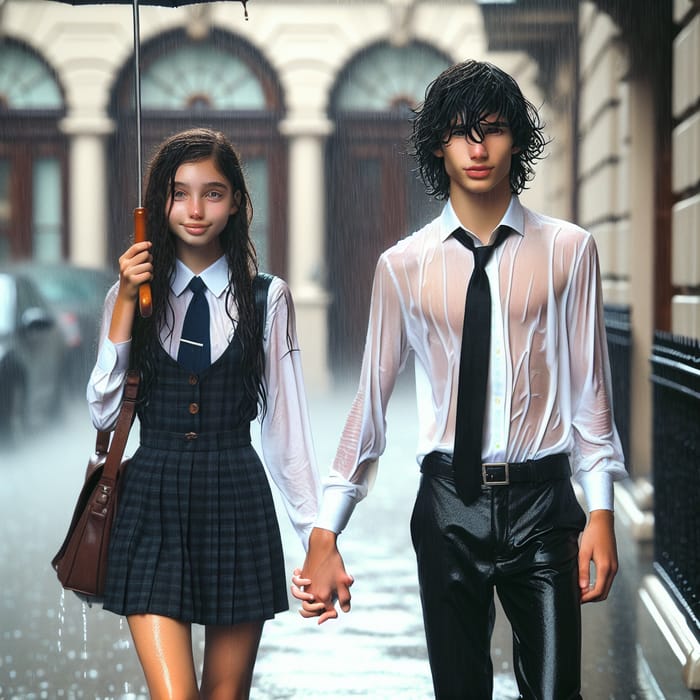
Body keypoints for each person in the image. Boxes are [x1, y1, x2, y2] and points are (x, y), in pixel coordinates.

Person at [292, 60, 627, 699]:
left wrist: (602, 512)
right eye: (459, 131)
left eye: (494, 129)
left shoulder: (569, 250)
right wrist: (325, 532)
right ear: (437, 145)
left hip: (544, 506)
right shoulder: (402, 266)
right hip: (448, 507)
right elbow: (371, 404)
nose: (478, 148)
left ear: (517, 140)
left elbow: (590, 393)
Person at [87, 128, 320, 700]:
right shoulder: (131, 295)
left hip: (235, 497)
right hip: (151, 500)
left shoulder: (268, 298)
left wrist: (317, 538)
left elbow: (286, 431)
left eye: (212, 193)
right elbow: (103, 409)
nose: (194, 210)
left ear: (237, 201)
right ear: (157, 204)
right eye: (178, 192)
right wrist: (122, 303)